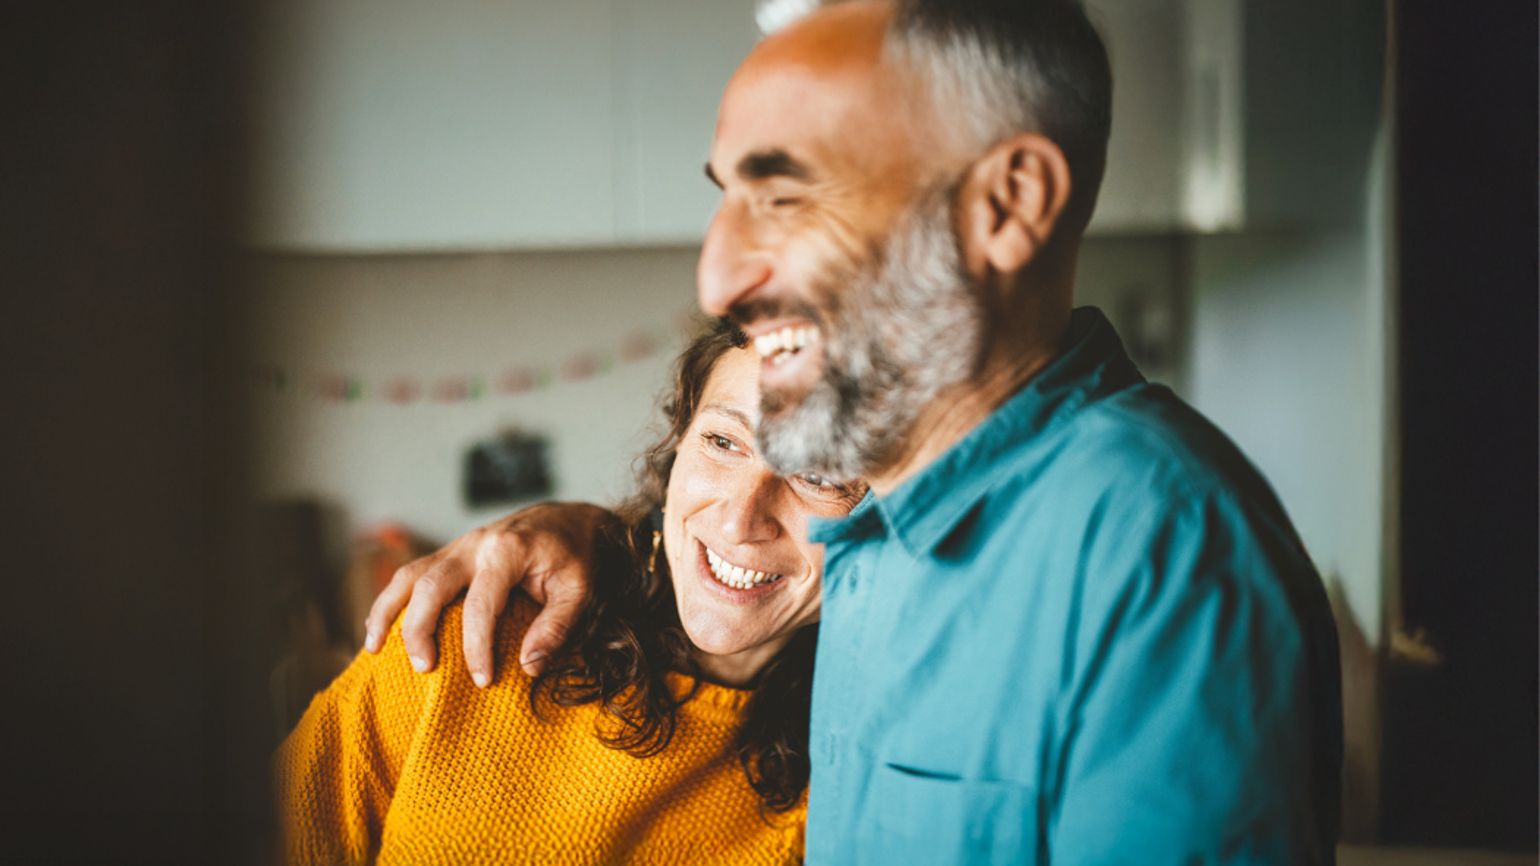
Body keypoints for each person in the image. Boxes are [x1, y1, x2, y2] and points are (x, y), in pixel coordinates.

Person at [368, 1, 1344, 862]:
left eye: (787, 199)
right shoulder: (882, 513)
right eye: (727, 199)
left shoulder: (1161, 557)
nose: (720, 278)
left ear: (1007, 204)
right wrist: (599, 534)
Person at [276, 322, 865, 864]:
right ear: (678, 443)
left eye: (818, 475)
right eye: (724, 442)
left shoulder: (861, 777)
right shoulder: (470, 636)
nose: (740, 519)